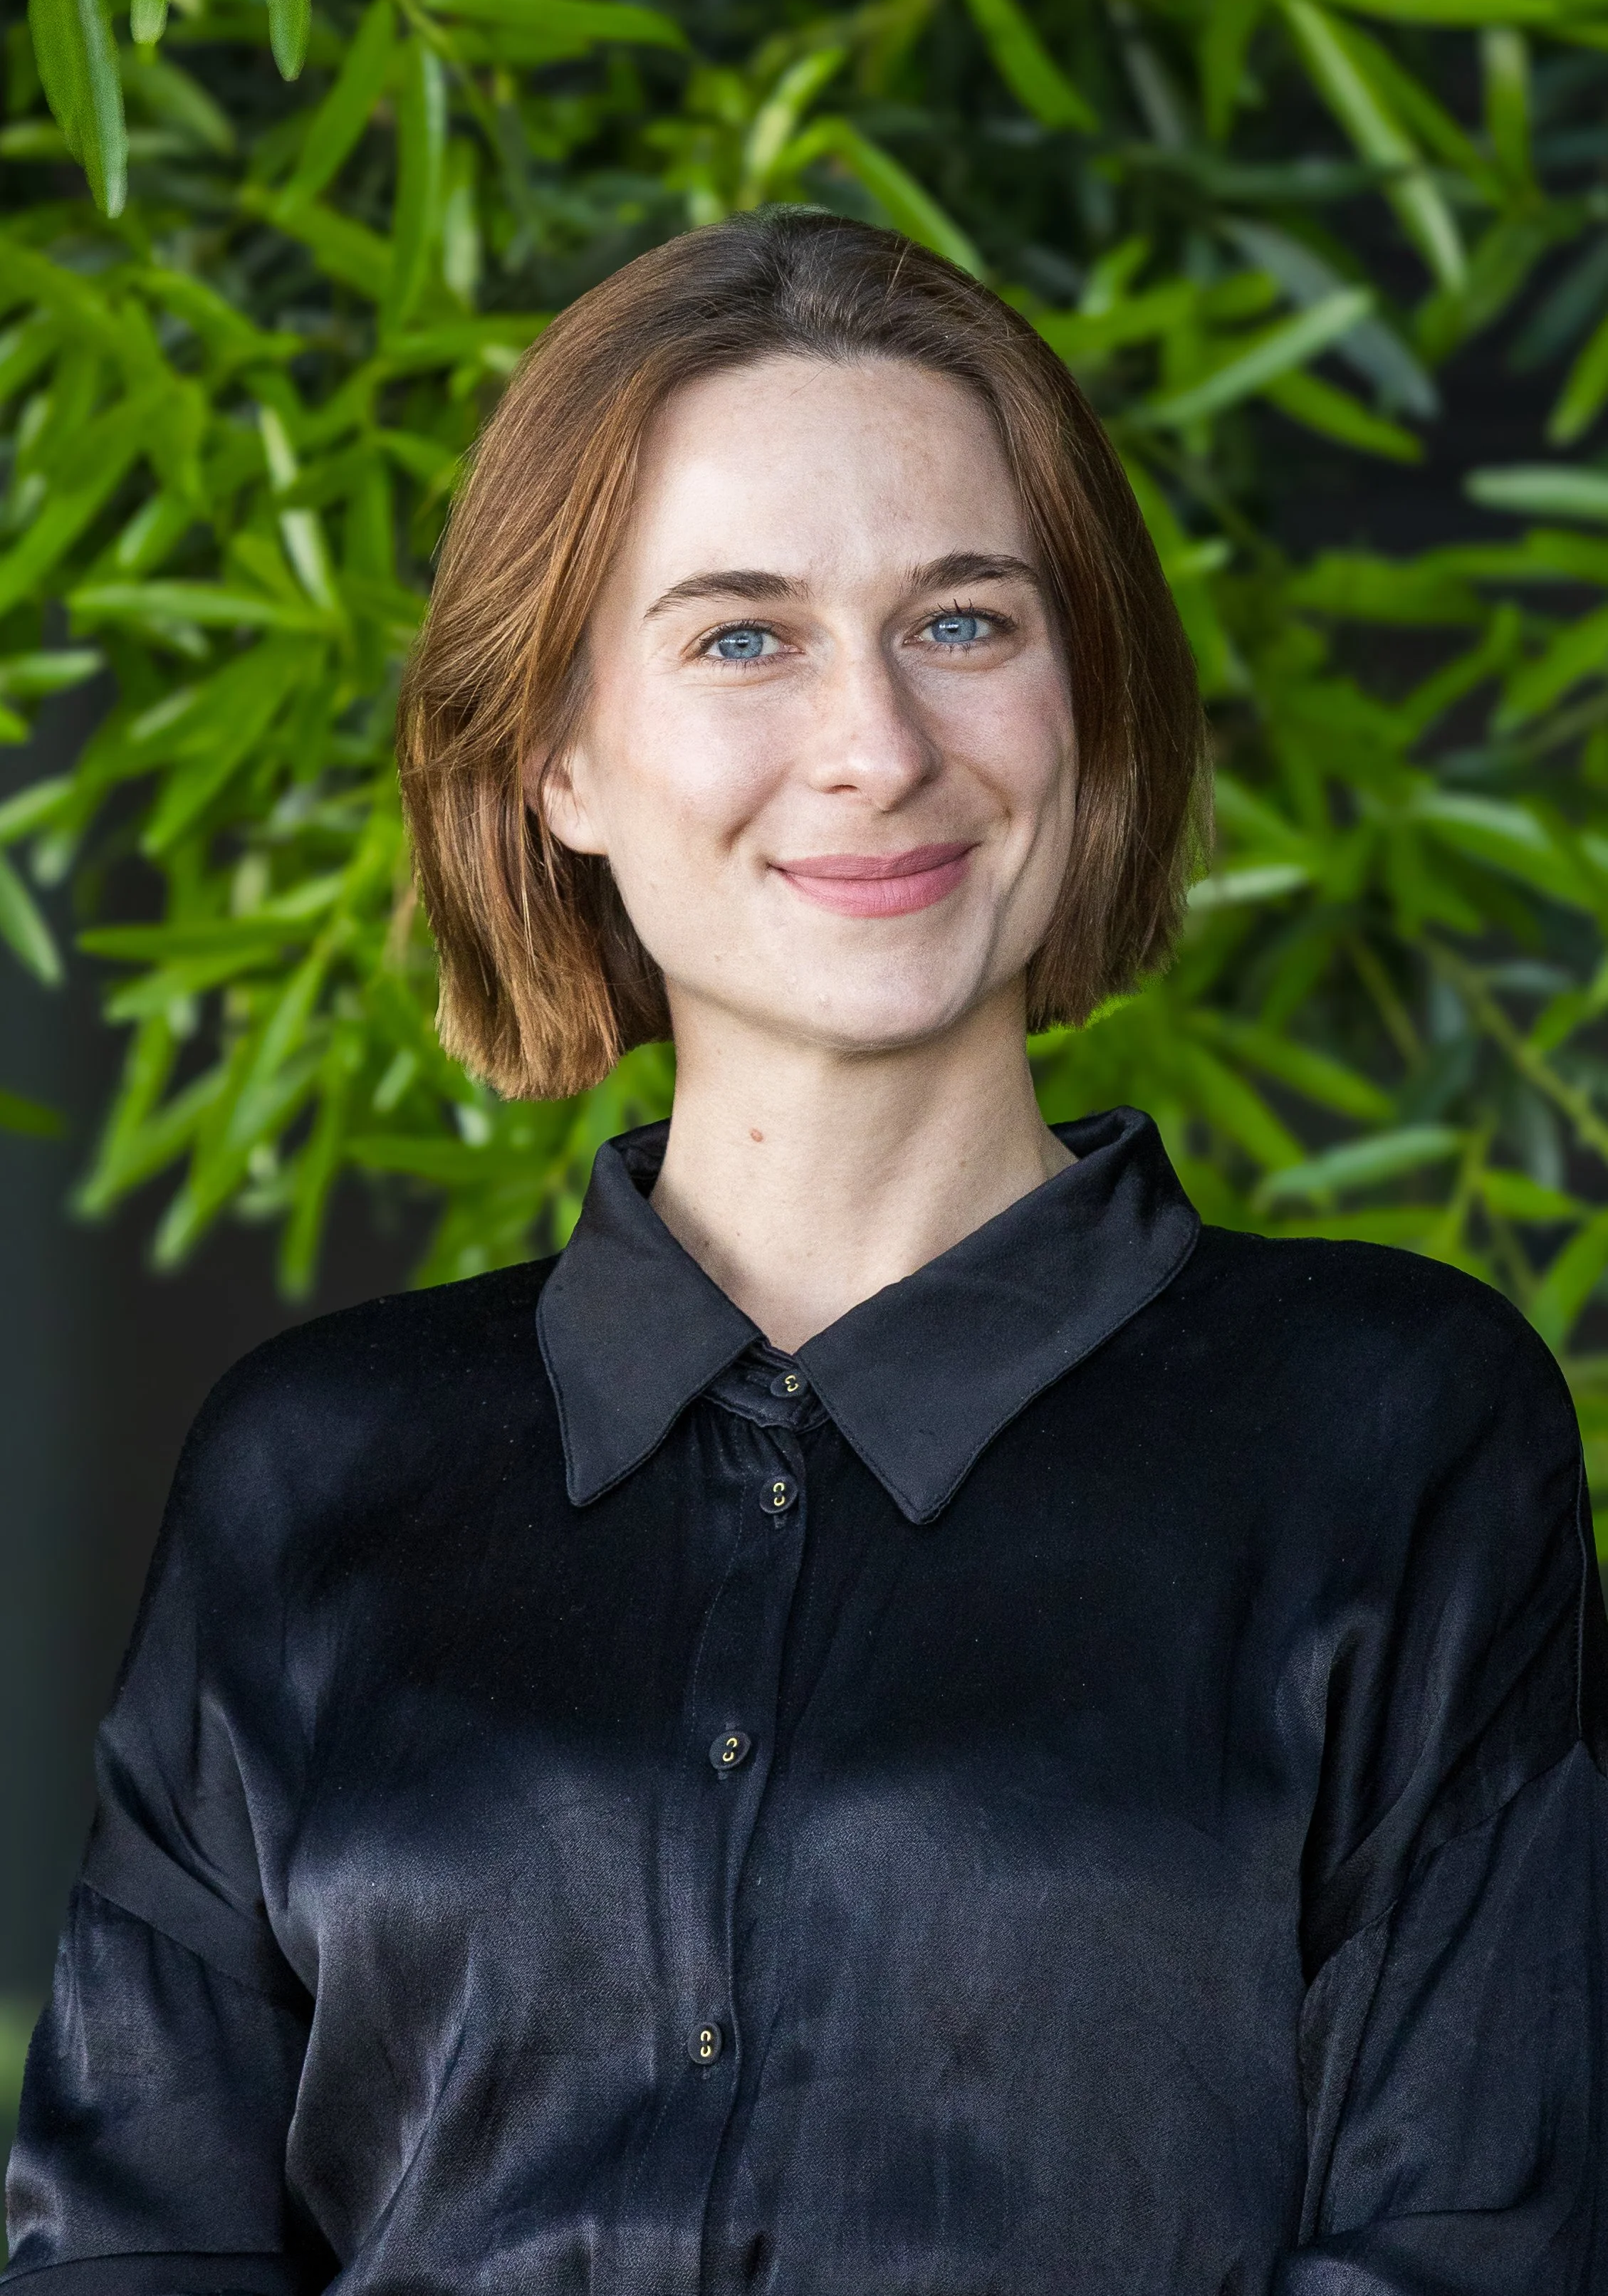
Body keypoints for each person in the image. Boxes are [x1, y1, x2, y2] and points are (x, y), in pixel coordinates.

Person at [6, 210, 1605, 2296]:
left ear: (1084, 710)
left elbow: (1474, 2254)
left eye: (964, 623)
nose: (877, 746)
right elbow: (117, 2256)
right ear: (555, 759)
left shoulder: (1395, 1436)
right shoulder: (311, 1472)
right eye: (743, 637)